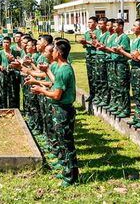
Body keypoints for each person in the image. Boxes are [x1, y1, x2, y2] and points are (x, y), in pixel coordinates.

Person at [31, 40, 79, 187]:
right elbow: (55, 82)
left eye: (53, 51)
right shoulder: (60, 67)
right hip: (58, 109)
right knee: (61, 140)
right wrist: (46, 72)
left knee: (66, 143)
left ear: (58, 52)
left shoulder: (65, 69)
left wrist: (41, 90)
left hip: (62, 110)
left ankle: (71, 177)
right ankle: (66, 170)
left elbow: (57, 94)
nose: (51, 53)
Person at [117, 19, 140, 126]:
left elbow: (136, 57)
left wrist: (122, 52)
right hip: (134, 68)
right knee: (135, 94)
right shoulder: (134, 40)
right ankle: (137, 117)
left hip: (139, 69)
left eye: (135, 26)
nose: (133, 27)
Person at [101, 19, 131, 118]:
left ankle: (125, 108)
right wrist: (106, 49)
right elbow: (114, 50)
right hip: (114, 63)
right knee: (115, 85)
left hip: (121, 65)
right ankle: (117, 105)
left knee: (122, 87)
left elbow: (122, 51)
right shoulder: (116, 37)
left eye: (115, 26)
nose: (113, 28)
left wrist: (106, 48)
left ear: (121, 26)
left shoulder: (124, 37)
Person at [79, 16, 100, 103]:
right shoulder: (87, 33)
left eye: (91, 22)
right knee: (90, 76)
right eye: (88, 22)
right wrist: (83, 42)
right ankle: (92, 94)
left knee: (97, 76)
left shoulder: (98, 32)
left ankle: (98, 95)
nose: (89, 24)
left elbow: (97, 44)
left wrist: (87, 42)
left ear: (95, 23)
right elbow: (86, 45)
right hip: (88, 55)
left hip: (96, 55)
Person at [0, 37, 18, 108]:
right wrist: (1, 67)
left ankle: (12, 107)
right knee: (3, 90)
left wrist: (12, 59)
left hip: (12, 73)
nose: (6, 44)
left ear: (10, 43)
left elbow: (18, 62)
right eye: (4, 42)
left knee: (12, 91)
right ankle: (4, 107)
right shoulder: (0, 52)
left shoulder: (14, 52)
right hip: (3, 73)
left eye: (7, 42)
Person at [93, 17, 109, 107]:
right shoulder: (98, 33)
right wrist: (94, 39)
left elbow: (104, 46)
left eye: (101, 24)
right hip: (97, 56)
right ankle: (99, 96)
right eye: (98, 23)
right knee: (97, 78)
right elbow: (95, 44)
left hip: (103, 56)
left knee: (103, 79)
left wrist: (97, 42)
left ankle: (105, 98)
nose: (99, 25)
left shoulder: (108, 34)